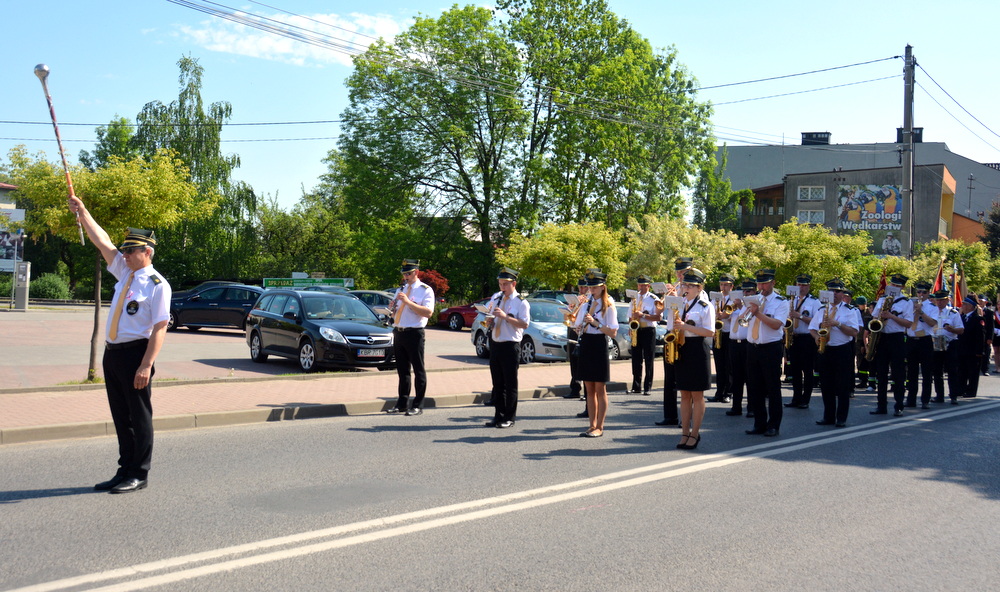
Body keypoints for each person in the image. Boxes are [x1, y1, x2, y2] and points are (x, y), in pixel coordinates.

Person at [68, 196, 171, 494]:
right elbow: (102, 242)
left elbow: (161, 327)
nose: (124, 253)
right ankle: (124, 470)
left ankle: (139, 473)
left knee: (139, 417)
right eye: (124, 249)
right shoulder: (126, 273)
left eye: (130, 249)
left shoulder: (157, 285)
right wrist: (84, 212)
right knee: (120, 417)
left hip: (136, 355)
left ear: (147, 252)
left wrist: (146, 365)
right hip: (112, 355)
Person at [744, 268, 790, 437]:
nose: (762, 286)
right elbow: (744, 319)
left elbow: (777, 324)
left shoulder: (781, 302)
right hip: (752, 347)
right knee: (754, 387)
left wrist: (758, 313)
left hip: (770, 348)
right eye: (760, 283)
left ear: (773, 283)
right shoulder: (753, 300)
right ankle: (759, 423)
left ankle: (773, 425)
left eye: (765, 282)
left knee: (772, 388)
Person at [810, 279, 861, 427]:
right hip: (825, 349)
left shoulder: (850, 310)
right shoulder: (821, 310)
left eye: (837, 291)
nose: (834, 294)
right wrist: (816, 338)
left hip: (842, 350)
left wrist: (837, 324)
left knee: (843, 385)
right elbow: (812, 328)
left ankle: (841, 417)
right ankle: (828, 416)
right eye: (831, 291)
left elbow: (854, 332)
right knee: (826, 385)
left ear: (842, 293)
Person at [575, 270, 619, 437]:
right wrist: (578, 326)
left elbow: (613, 332)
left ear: (602, 287)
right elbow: (577, 324)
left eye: (594, 287)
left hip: (599, 344)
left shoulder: (608, 305)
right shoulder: (586, 304)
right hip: (586, 342)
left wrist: (595, 323)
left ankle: (600, 426)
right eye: (589, 287)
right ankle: (591, 425)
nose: (591, 290)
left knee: (600, 388)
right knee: (589, 388)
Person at [388, 259, 435, 416]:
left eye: (408, 273)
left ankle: (417, 405)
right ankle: (402, 403)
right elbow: (395, 312)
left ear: (416, 272)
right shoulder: (401, 289)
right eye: (404, 274)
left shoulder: (425, 290)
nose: (405, 277)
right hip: (399, 331)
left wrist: (408, 302)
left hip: (414, 333)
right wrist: (391, 308)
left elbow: (428, 312)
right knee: (402, 371)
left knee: (418, 370)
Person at [674, 268, 715, 450]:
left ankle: (695, 433)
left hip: (698, 348)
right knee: (684, 394)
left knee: (697, 395)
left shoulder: (706, 306)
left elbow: (710, 331)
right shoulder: (678, 303)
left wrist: (685, 327)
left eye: (691, 285)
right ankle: (684, 432)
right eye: (685, 284)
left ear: (699, 288)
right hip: (681, 347)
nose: (687, 288)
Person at [485, 268, 530, 429]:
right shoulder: (496, 297)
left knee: (510, 384)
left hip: (510, 345)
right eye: (500, 284)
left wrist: (505, 317)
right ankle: (498, 416)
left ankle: (509, 417)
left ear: (514, 284)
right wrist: (489, 320)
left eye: (505, 284)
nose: (502, 287)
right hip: (496, 343)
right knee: (497, 383)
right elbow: (489, 315)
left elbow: (524, 324)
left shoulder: (521, 302)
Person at [870, 274, 913, 417]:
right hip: (882, 337)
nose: (894, 287)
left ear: (902, 287)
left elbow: (908, 323)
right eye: (892, 285)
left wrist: (891, 316)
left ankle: (899, 405)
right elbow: (874, 318)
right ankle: (881, 405)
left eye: (897, 285)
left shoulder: (906, 302)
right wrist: (879, 316)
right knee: (881, 373)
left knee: (898, 374)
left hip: (897, 338)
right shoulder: (882, 299)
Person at [657, 256, 693, 428]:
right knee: (669, 378)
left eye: (683, 272)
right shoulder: (675, 291)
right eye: (678, 272)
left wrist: (678, 296)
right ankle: (670, 415)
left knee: (686, 380)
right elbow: (664, 313)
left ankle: (688, 418)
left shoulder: (696, 292)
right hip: (671, 336)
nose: (680, 276)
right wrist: (668, 297)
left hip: (685, 339)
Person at [786, 274, 822, 409]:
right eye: (799, 285)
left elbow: (817, 322)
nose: (801, 287)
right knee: (794, 370)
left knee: (807, 370)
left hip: (807, 338)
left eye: (804, 285)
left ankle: (805, 399)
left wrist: (799, 316)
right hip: (793, 337)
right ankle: (795, 398)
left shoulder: (814, 302)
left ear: (809, 286)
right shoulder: (791, 300)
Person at [725, 279, 756, 417]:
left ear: (754, 291)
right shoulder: (735, 305)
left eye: (748, 291)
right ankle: (736, 407)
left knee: (750, 377)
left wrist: (740, 307)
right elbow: (722, 316)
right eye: (743, 290)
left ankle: (751, 407)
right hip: (733, 343)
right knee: (736, 376)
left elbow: (745, 320)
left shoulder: (752, 306)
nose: (745, 293)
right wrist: (733, 307)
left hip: (746, 344)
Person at [905, 281, 936, 409]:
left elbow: (933, 323)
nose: (920, 294)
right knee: (911, 372)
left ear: (928, 293)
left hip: (925, 340)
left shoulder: (932, 307)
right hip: (911, 340)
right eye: (918, 292)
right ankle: (911, 399)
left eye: (923, 292)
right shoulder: (909, 305)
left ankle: (925, 400)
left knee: (926, 372)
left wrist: (921, 312)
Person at [628, 275, 661, 396]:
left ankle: (647, 386)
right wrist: (631, 326)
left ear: (648, 286)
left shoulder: (654, 299)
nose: (641, 287)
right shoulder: (634, 298)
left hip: (648, 330)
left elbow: (658, 317)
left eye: (644, 285)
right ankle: (636, 386)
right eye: (639, 285)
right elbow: (630, 315)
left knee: (648, 359)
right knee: (636, 359)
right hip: (636, 329)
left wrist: (643, 315)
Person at [930, 290, 963, 404]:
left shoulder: (953, 313)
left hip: (950, 343)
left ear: (947, 300)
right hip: (935, 343)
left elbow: (961, 329)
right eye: (937, 300)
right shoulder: (931, 312)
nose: (939, 302)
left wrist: (952, 329)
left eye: (942, 300)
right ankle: (939, 396)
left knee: (952, 370)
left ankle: (953, 395)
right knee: (937, 371)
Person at [707, 273, 736, 404]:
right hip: (718, 334)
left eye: (726, 285)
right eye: (721, 284)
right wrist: (715, 316)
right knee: (719, 365)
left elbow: (735, 315)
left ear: (731, 286)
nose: (723, 287)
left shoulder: (734, 299)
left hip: (729, 334)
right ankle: (719, 392)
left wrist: (724, 315)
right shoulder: (715, 299)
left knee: (729, 365)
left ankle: (728, 392)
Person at [565, 278, 589, 404]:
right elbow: (568, 316)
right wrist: (571, 308)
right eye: (580, 287)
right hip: (572, 330)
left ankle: (586, 391)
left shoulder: (589, 301)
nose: (581, 290)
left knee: (583, 362)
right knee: (573, 360)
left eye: (584, 287)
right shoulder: (576, 300)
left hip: (583, 332)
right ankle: (574, 389)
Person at [957, 294, 984, 399]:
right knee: (962, 370)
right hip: (962, 349)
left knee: (973, 372)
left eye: (964, 304)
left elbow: (980, 336)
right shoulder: (962, 317)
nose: (962, 306)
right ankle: (960, 389)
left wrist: (979, 352)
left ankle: (971, 391)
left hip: (973, 351)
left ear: (970, 306)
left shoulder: (978, 319)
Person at [978, 296, 994, 376]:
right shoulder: (975, 310)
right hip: (977, 336)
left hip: (986, 335)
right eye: (979, 300)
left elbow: (991, 326)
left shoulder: (989, 312)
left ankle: (985, 369)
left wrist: (990, 338)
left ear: (985, 302)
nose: (980, 302)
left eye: (982, 301)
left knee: (986, 353)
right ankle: (977, 369)